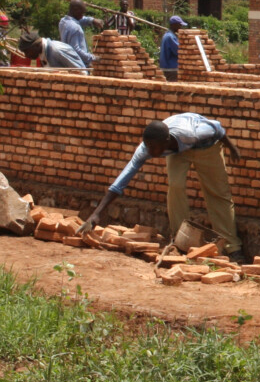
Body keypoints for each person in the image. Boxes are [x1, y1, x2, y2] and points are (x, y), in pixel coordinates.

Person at [80, 113, 244, 261]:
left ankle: (232, 247)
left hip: (206, 146)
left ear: (166, 141)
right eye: (148, 146)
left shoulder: (193, 133)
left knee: (217, 193)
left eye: (154, 147)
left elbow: (217, 128)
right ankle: (179, 241)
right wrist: (96, 213)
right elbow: (122, 180)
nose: (150, 151)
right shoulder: (147, 148)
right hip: (177, 151)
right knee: (175, 186)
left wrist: (231, 147)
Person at [16, 30, 89, 73]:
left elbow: (82, 73)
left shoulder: (57, 51)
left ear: (37, 45)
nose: (26, 55)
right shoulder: (43, 53)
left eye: (27, 51)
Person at [59, 0, 101, 67]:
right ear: (75, 10)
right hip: (78, 66)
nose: (82, 16)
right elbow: (76, 50)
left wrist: (92, 20)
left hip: (67, 62)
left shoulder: (63, 22)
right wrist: (93, 58)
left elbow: (78, 20)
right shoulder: (75, 28)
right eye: (81, 13)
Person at [159, 15, 185, 81]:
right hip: (171, 68)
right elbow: (178, 51)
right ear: (174, 25)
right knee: (172, 89)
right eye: (179, 25)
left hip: (167, 68)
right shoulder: (170, 37)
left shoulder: (169, 35)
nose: (181, 27)